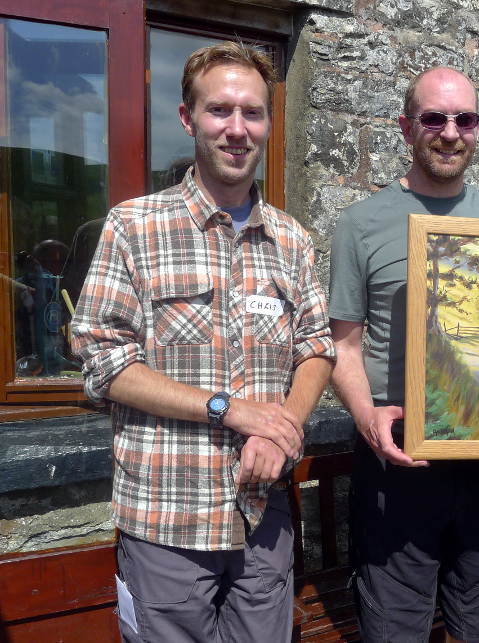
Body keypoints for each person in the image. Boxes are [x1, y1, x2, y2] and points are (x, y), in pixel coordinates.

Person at [72, 42, 335, 642]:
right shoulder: (134, 227)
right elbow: (104, 361)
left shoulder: (292, 240)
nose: (237, 128)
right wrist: (231, 410)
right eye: (220, 110)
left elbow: (317, 348)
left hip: (263, 516)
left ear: (268, 123)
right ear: (188, 119)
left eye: (252, 112)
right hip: (168, 518)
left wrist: (281, 428)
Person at [328, 66, 479, 642]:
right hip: (398, 455)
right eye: (434, 118)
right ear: (407, 127)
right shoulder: (361, 224)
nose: (450, 133)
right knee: (394, 630)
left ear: (477, 128)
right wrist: (367, 418)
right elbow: (342, 346)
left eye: (464, 120)